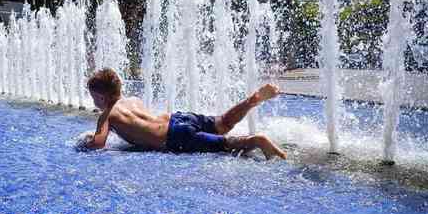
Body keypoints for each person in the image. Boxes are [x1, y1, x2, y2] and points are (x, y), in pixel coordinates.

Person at [84, 68, 286, 159]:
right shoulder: (133, 100)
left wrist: (85, 142)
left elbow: (98, 144)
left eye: (94, 97)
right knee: (223, 122)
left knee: (225, 145)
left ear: (101, 98)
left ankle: (257, 140)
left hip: (175, 136)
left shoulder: (107, 115)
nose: (94, 102)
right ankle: (252, 101)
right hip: (178, 118)